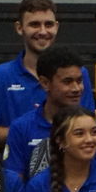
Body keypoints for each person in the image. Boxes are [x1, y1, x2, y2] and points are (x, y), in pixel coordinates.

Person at [0, 0, 95, 146]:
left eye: (48, 24)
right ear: (19, 28)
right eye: (34, 24)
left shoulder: (79, 73)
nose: (42, 31)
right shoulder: (2, 75)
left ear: (57, 27)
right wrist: (28, 134)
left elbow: (88, 125)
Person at [5, 46, 91, 183]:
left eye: (79, 81)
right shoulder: (21, 128)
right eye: (67, 82)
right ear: (45, 83)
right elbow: (15, 184)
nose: (76, 88)